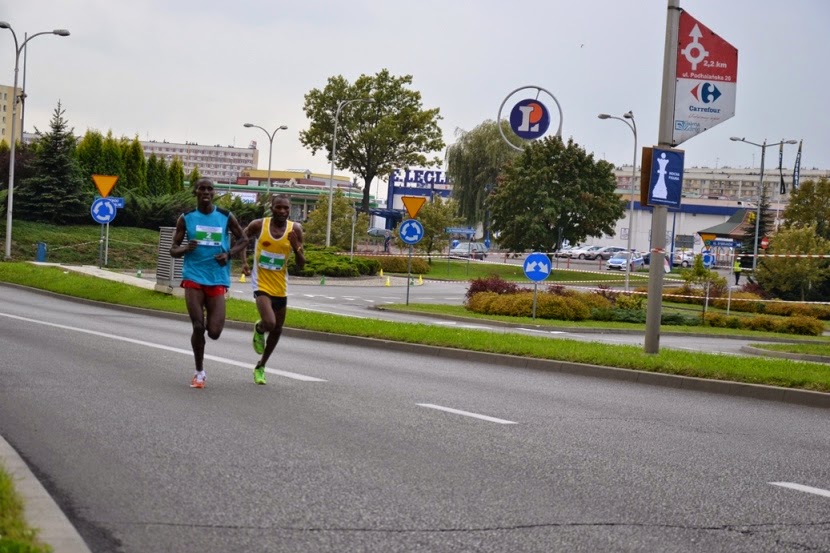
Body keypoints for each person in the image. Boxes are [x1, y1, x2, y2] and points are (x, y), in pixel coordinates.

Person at [170, 178, 249, 389]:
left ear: (214, 193)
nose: (206, 192)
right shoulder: (186, 218)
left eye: (210, 189)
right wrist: (185, 248)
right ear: (195, 192)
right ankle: (199, 372)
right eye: (202, 188)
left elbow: (244, 240)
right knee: (198, 326)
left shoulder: (225, 216)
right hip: (193, 276)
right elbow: (173, 249)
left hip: (217, 277)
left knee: (213, 332)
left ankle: (202, 336)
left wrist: (228, 254)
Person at [244, 194, 305, 385]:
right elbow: (242, 240)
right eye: (279, 207)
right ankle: (260, 327)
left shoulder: (295, 229)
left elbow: (302, 264)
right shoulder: (258, 225)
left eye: (286, 208)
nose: (282, 211)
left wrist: (296, 247)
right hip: (261, 283)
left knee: (277, 329)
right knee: (270, 323)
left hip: (280, 286)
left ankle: (261, 366)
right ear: (271, 208)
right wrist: (244, 262)